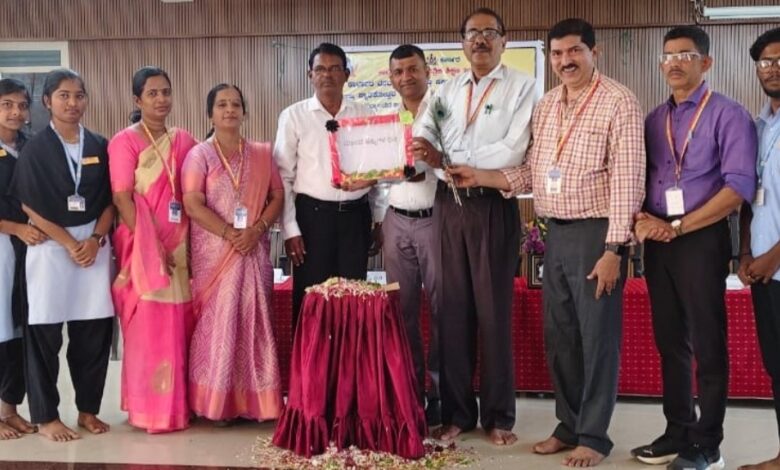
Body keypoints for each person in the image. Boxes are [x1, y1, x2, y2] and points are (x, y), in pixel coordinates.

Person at [448, 17, 646, 466]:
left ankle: (593, 436)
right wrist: (478, 176)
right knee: (561, 338)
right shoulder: (548, 104)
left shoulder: (619, 101)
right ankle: (568, 425)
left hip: (597, 234)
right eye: (557, 54)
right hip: (555, 231)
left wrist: (615, 249)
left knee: (597, 339)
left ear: (595, 52)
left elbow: (628, 179)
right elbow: (532, 173)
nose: (565, 61)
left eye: (574, 51)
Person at [632, 26, 757, 470]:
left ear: (706, 63)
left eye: (685, 54)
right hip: (659, 240)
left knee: (707, 340)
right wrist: (643, 221)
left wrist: (680, 226)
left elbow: (738, 187)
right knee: (670, 340)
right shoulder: (653, 119)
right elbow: (636, 177)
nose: (674, 62)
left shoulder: (729, 114)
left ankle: (708, 443)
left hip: (701, 237)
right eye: (668, 55)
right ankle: (678, 429)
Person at [412, 7, 536, 446]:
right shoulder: (446, 89)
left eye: (489, 32)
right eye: (472, 33)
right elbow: (423, 136)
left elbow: (513, 148)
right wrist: (435, 158)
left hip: (491, 203)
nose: (480, 40)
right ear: (462, 42)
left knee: (493, 313)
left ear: (504, 40)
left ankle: (499, 416)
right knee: (452, 313)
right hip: (449, 204)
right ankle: (457, 414)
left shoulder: (523, 87)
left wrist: (455, 161)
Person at [10, 68, 115, 442]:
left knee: (93, 332)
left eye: (79, 95)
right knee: (44, 335)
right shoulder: (35, 148)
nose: (73, 103)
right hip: (51, 248)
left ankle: (88, 409)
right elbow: (28, 205)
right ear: (47, 101)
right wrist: (70, 243)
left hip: (93, 248)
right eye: (64, 96)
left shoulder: (99, 145)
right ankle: (47, 417)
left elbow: (112, 199)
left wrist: (96, 238)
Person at [183, 84, 283, 422]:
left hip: (253, 250)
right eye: (222, 105)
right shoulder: (199, 155)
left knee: (253, 322)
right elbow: (192, 204)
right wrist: (230, 234)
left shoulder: (262, 153)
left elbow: (277, 196)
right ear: (210, 114)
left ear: (244, 112)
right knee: (218, 326)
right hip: (215, 254)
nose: (229, 110)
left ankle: (256, 402)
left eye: (236, 104)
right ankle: (216, 403)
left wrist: (256, 231)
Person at [108, 66, 198, 433]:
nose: (161, 99)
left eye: (166, 92)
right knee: (148, 330)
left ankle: (179, 406)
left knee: (178, 328)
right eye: (152, 93)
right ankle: (149, 410)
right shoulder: (124, 142)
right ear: (137, 100)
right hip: (142, 248)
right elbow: (121, 197)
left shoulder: (184, 140)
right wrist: (152, 246)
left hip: (181, 247)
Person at [273, 42, 384, 328]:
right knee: (311, 301)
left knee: (352, 299)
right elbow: (283, 177)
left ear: (347, 74)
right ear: (309, 74)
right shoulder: (293, 116)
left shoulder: (365, 113)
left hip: (356, 219)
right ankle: (310, 359)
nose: (327, 75)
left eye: (335, 69)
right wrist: (290, 229)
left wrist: (379, 219)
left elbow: (377, 170)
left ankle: (350, 358)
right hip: (312, 219)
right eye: (320, 69)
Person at [383, 44, 441, 425]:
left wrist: (428, 168)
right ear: (391, 78)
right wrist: (378, 220)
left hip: (435, 220)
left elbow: (454, 159)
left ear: (426, 70)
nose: (406, 77)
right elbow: (375, 174)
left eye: (412, 69)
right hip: (395, 220)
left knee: (442, 309)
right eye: (398, 71)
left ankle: (438, 393)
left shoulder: (444, 111)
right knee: (400, 311)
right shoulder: (386, 120)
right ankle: (408, 391)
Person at [736, 26, 780, 470]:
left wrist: (773, 257)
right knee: (777, 365)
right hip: (766, 273)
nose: (773, 68)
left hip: (776, 264)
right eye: (766, 61)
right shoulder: (759, 125)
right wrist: (746, 254)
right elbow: (751, 198)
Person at [0, 78, 41, 440]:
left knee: (18, 330)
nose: (16, 112)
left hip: (27, 248)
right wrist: (14, 228)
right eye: (6, 105)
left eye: (22, 105)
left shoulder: (30, 147)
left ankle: (8, 409)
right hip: (4, 244)